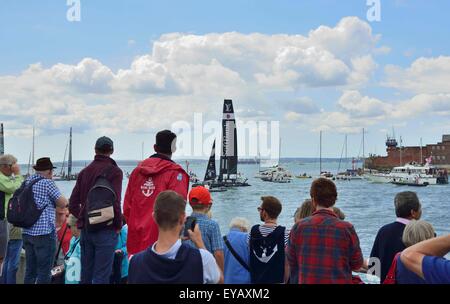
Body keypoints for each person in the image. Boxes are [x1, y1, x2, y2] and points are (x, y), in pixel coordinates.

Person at [128, 191, 222, 284]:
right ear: (182, 218)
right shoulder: (202, 259)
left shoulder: (135, 262)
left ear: (154, 217)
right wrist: (199, 243)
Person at [124, 130, 189, 256]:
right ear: (173, 149)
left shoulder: (137, 172)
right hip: (164, 245)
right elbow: (177, 210)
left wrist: (135, 226)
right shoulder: (176, 174)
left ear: (155, 147)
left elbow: (127, 208)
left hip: (135, 241)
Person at [287, 178, 363, 284]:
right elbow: (357, 264)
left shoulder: (298, 227)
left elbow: (292, 260)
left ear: (313, 200)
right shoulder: (347, 229)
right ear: (335, 199)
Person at [69, 136, 123, 284]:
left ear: (95, 150)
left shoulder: (84, 172)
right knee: (102, 276)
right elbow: (116, 202)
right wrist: (118, 225)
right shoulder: (115, 172)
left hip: (87, 230)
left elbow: (72, 203)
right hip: (106, 229)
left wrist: (84, 218)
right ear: (112, 151)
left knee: (86, 274)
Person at [22, 157, 69, 284]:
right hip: (44, 234)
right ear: (49, 171)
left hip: (27, 232)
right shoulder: (47, 183)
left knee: (30, 271)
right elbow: (63, 202)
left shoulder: (27, 181)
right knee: (44, 272)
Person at [370, 191, 422, 282]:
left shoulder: (383, 231)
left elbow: (373, 267)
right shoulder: (423, 232)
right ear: (413, 212)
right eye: (420, 208)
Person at [248, 196, 290, 284]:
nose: (259, 212)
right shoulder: (285, 234)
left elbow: (249, 257)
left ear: (265, 212)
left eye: (260, 209)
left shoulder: (252, 232)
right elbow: (287, 264)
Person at [184, 186, 224, 272]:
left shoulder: (183, 223)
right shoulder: (212, 225)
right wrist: (221, 274)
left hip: (186, 270)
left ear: (190, 204)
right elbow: (218, 254)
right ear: (208, 204)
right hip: (206, 271)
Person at [0, 154, 24, 283]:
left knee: (7, 260)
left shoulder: (6, 178)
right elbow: (16, 188)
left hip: (7, 221)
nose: (15, 167)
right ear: (5, 166)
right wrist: (19, 174)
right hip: (5, 222)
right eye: (12, 165)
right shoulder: (1, 178)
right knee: (10, 261)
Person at [223, 217, 251, 284]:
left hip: (226, 280)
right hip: (245, 280)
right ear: (244, 228)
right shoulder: (247, 238)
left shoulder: (222, 239)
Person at [64, 214, 81, 284]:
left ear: (76, 226)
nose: (69, 229)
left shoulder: (84, 244)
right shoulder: (73, 240)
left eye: (69, 226)